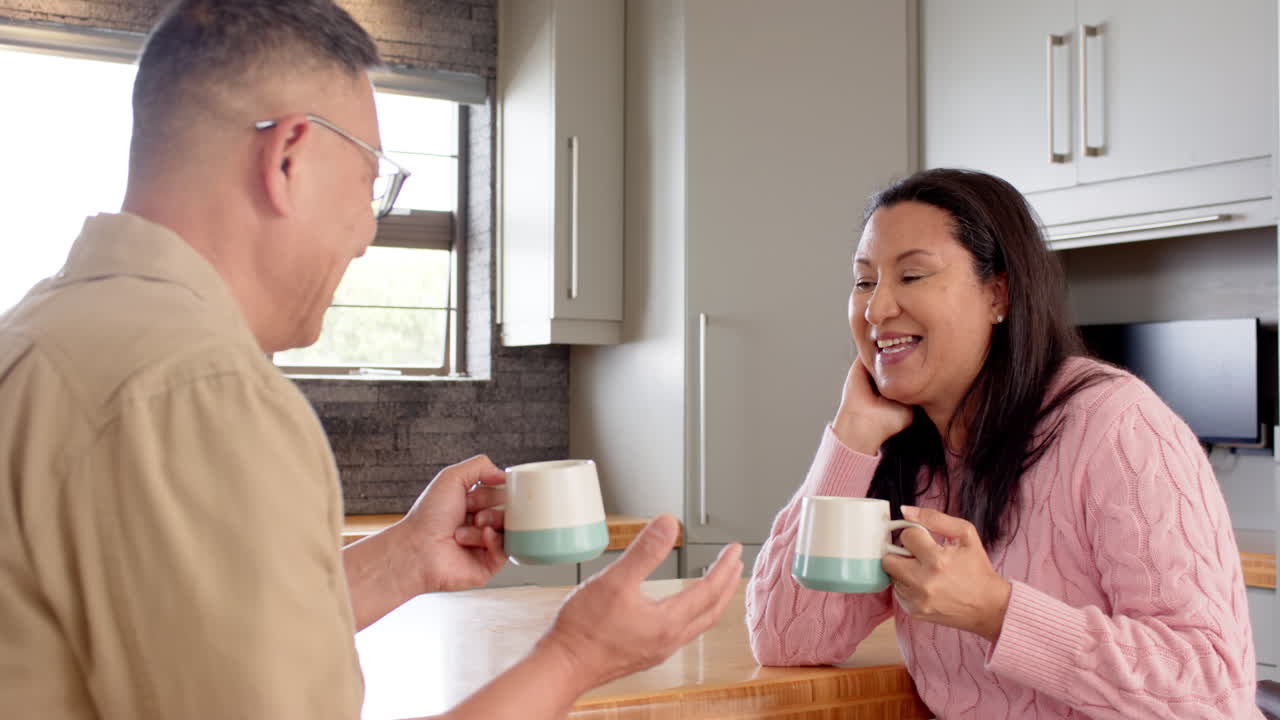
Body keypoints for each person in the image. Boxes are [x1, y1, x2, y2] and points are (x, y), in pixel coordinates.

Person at [0, 1, 742, 718]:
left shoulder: (39, 339)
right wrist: (578, 656)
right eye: (369, 182)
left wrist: (408, 557)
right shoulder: (201, 391)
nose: (365, 234)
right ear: (288, 156)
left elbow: (169, 621)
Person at [746, 168, 1263, 719]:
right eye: (864, 281)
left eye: (912, 276)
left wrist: (996, 610)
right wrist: (850, 438)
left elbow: (1212, 691)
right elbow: (787, 638)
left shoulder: (1117, 424)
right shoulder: (902, 451)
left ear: (998, 294)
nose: (876, 310)